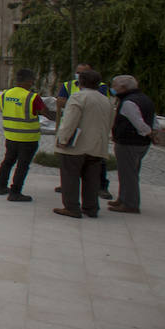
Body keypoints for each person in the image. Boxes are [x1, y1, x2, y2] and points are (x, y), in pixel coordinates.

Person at [52, 68, 113, 219]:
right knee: (92, 179)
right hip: (97, 146)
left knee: (70, 177)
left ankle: (72, 207)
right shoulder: (105, 100)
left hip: (76, 146)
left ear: (80, 82)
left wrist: (63, 139)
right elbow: (110, 123)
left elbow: (70, 121)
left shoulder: (78, 97)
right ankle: (91, 208)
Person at [0, 68, 56, 202]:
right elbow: (46, 113)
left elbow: (4, 110)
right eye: (33, 80)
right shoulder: (32, 97)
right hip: (28, 138)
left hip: (10, 136)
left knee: (8, 161)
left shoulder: (5, 94)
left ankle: (1, 187)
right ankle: (15, 192)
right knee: (22, 165)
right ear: (29, 81)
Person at [108, 75, 160, 214]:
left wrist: (149, 132)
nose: (112, 88)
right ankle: (123, 198)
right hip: (141, 143)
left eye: (114, 86)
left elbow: (139, 123)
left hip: (129, 142)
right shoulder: (145, 99)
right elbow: (153, 119)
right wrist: (153, 133)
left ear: (123, 87)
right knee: (129, 171)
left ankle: (130, 204)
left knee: (128, 174)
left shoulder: (128, 102)